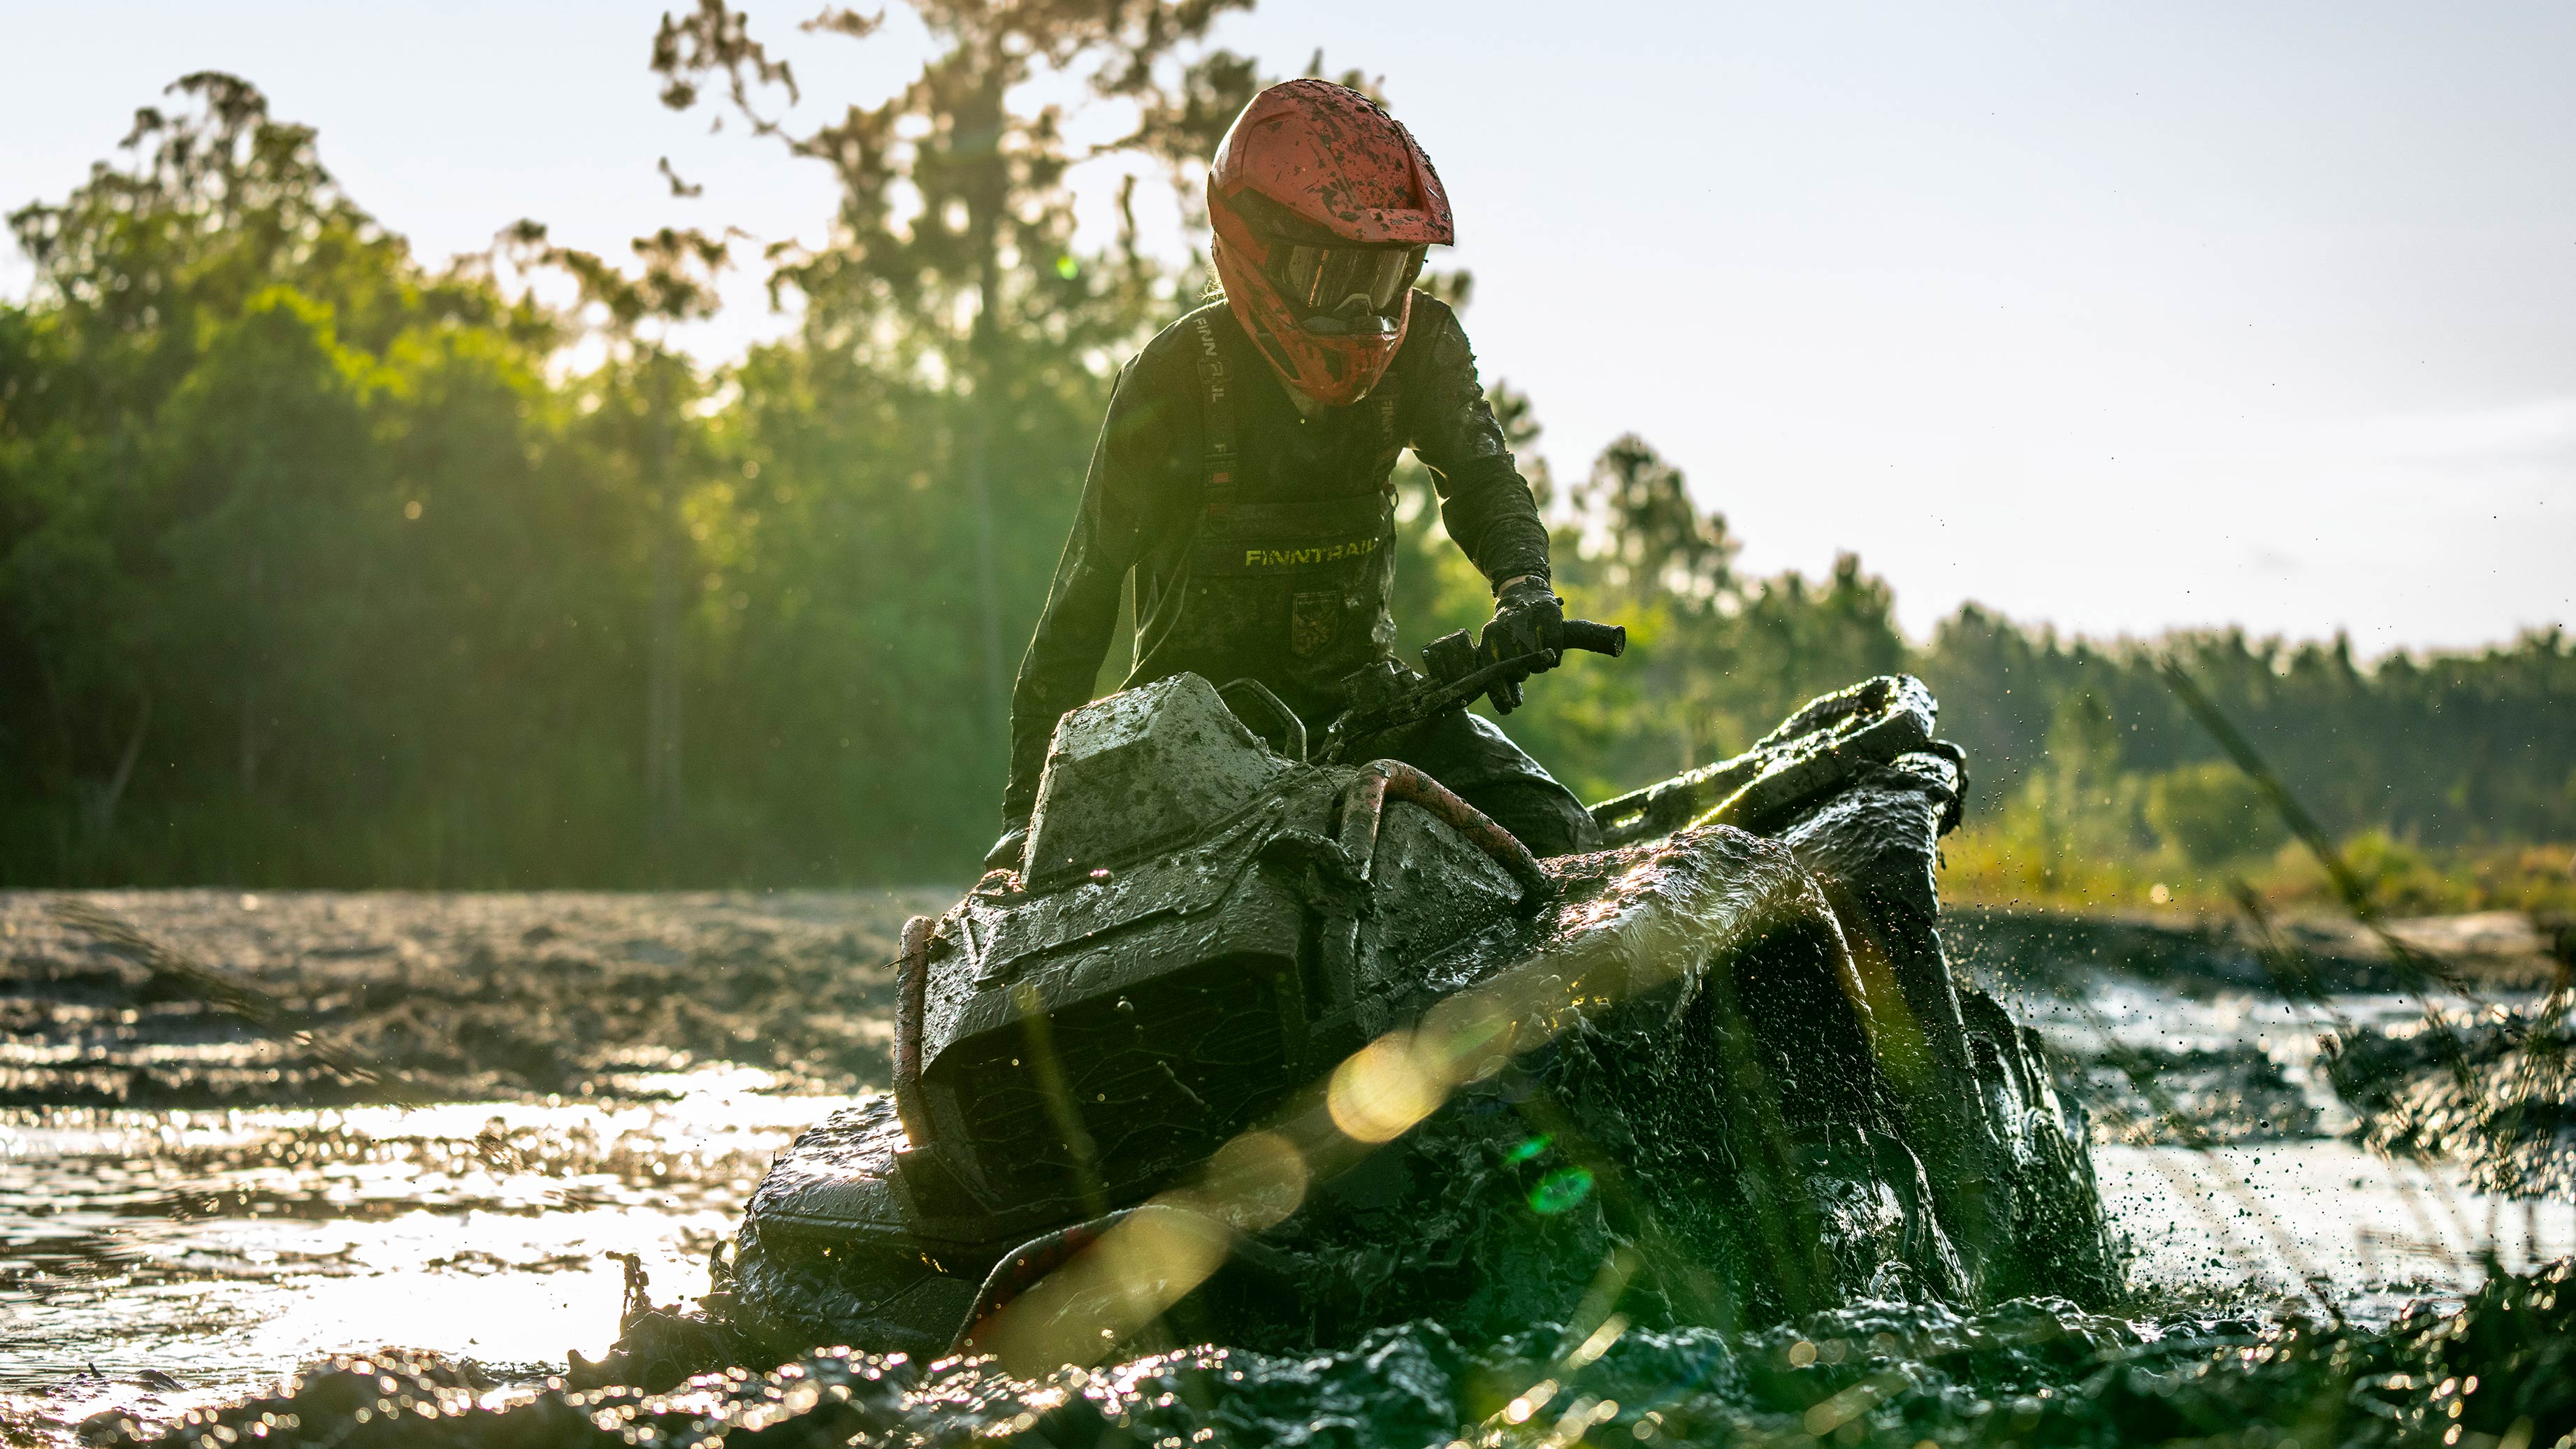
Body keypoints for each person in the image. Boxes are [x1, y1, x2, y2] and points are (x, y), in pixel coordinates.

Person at [990, 79, 1598, 870]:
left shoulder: (1425, 347)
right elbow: (1084, 594)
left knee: (1555, 836)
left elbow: (1483, 478)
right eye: (1326, 278)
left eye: (1381, 279)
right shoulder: (1171, 380)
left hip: (1372, 704)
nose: (1358, 312)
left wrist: (1524, 586)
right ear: (1253, 250)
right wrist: (1023, 816)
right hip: (1190, 733)